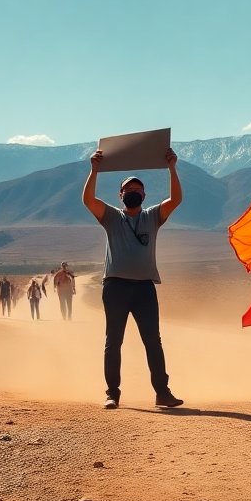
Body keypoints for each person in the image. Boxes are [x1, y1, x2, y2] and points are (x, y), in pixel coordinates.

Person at [82, 147, 185, 410]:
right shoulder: (112, 217)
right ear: (120, 195)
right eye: (128, 191)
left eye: (137, 190)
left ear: (144, 195)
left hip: (144, 289)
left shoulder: (152, 216)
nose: (133, 193)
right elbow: (88, 200)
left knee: (153, 340)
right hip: (115, 286)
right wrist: (94, 170)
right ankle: (112, 393)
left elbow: (175, 200)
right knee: (113, 340)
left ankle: (162, 393)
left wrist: (172, 167)